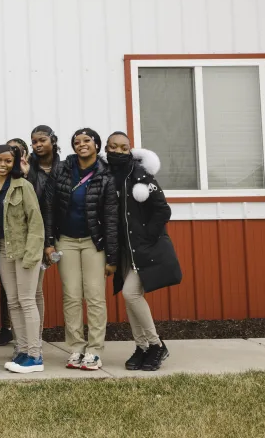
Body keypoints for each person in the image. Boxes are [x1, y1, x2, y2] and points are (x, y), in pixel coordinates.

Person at [42, 128, 118, 371]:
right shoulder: (63, 169)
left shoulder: (105, 174)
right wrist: (49, 240)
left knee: (95, 296)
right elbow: (50, 206)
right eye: (77, 141)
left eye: (87, 141)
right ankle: (76, 347)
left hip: (94, 243)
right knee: (72, 296)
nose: (82, 144)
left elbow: (111, 217)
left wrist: (112, 257)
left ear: (96, 144)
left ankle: (94, 350)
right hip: (66, 241)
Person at [106, 132, 181, 372]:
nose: (118, 151)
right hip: (125, 251)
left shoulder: (140, 176)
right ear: (106, 149)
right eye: (113, 147)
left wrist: (147, 238)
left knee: (131, 294)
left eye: (123, 147)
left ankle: (157, 345)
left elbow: (162, 210)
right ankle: (142, 347)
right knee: (131, 299)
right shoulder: (107, 176)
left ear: (131, 151)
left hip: (143, 247)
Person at [0, 144, 45, 374]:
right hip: (4, 251)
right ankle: (23, 350)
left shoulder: (23, 186)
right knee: (13, 302)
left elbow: (36, 222)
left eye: (8, 161)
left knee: (27, 300)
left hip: (25, 249)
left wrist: (32, 254)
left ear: (14, 162)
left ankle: (35, 355)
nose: (3, 165)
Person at [6, 137, 45, 346]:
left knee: (30, 295)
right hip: (8, 245)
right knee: (15, 299)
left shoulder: (33, 175)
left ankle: (34, 344)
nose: (11, 155)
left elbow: (39, 208)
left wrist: (27, 173)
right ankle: (22, 344)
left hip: (31, 243)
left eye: (16, 151)